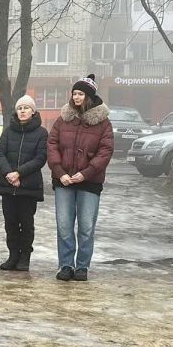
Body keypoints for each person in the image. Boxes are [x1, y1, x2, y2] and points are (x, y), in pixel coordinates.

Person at [47, 75, 114, 282]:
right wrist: (60, 173)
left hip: (89, 183)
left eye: (80, 94)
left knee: (86, 227)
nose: (76, 97)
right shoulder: (63, 120)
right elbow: (52, 145)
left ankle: (82, 266)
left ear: (89, 96)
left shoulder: (103, 123)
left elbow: (105, 151)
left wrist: (85, 173)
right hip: (64, 182)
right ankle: (66, 265)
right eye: (74, 93)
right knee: (64, 226)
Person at [0, 95, 48, 271]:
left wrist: (19, 174)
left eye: (26, 108)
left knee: (26, 224)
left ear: (33, 111)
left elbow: (40, 158)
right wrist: (9, 174)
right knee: (10, 223)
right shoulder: (8, 131)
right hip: (8, 185)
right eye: (20, 108)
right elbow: (0, 153)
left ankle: (25, 257)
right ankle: (13, 255)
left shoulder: (41, 133)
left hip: (28, 187)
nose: (22, 111)